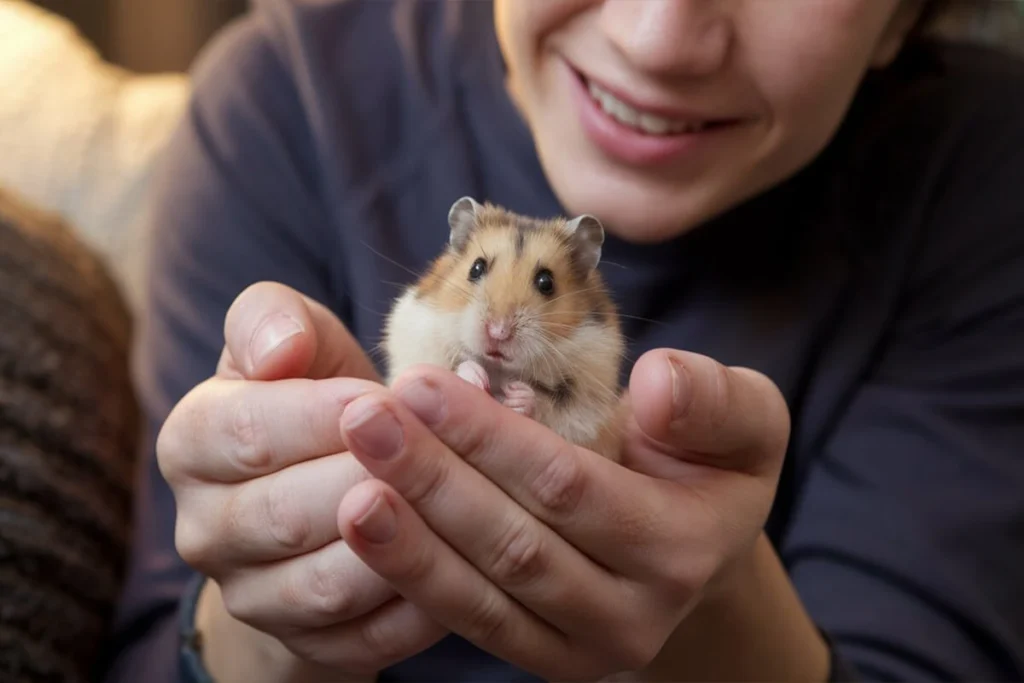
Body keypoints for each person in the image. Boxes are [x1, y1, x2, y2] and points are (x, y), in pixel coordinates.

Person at [98, 1, 1024, 682]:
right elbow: (146, 648)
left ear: (907, 19)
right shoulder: (284, 97)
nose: (655, 39)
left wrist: (717, 607)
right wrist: (273, 618)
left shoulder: (986, 185)